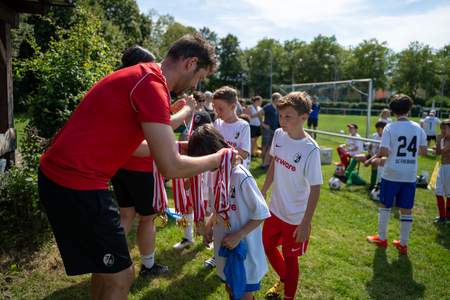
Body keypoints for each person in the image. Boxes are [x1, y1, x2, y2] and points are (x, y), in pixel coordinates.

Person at [37, 33, 239, 300]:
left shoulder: (143, 77)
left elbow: (139, 148)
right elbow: (171, 167)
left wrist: (183, 148)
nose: (195, 85)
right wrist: (219, 158)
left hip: (68, 178)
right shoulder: (152, 85)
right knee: (123, 277)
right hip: (75, 181)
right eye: (199, 77)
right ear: (191, 63)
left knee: (106, 267)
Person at [110, 45, 195, 277]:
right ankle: (148, 266)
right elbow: (161, 129)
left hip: (121, 163)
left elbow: (142, 120)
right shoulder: (145, 83)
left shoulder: (123, 86)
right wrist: (186, 110)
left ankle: (108, 259)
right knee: (148, 218)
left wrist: (168, 109)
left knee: (126, 214)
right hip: (141, 166)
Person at [191, 124, 270, 300]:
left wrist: (239, 235)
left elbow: (262, 212)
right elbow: (219, 207)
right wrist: (211, 224)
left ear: (214, 152)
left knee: (242, 291)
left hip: (244, 249)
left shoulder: (241, 176)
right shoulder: (216, 173)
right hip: (224, 245)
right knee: (230, 287)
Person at [260, 92, 322, 300]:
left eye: (288, 116)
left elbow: (315, 189)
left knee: (290, 258)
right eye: (280, 116)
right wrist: (264, 189)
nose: (282, 121)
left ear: (304, 117)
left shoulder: (310, 149)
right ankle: (284, 279)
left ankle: (288, 295)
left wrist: (306, 223)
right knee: (267, 247)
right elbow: (274, 163)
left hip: (296, 218)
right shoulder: (278, 134)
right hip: (275, 209)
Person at [366, 94, 427, 254]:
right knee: (406, 208)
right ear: (410, 109)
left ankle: (382, 237)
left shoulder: (389, 127)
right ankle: (403, 243)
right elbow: (424, 151)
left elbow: (384, 152)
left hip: (392, 173)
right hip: (409, 174)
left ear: (393, 111)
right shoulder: (417, 127)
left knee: (384, 205)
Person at [202, 86, 250, 269]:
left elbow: (244, 153)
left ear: (233, 106)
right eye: (215, 108)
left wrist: (224, 153)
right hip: (217, 180)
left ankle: (235, 249)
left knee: (233, 216)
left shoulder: (243, 126)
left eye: (220, 108)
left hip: (235, 182)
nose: (217, 112)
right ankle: (217, 254)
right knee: (217, 215)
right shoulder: (216, 124)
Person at [336, 121, 386, 189]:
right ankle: (346, 176)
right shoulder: (374, 135)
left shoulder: (386, 137)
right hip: (372, 155)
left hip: (380, 157)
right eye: (376, 129)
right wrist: (371, 156)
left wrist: (369, 161)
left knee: (374, 162)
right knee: (356, 157)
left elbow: (379, 153)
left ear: (384, 129)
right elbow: (369, 148)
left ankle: (373, 185)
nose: (377, 131)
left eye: (379, 129)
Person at [253, 93, 281, 169]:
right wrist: (262, 124)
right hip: (267, 129)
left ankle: (266, 163)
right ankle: (264, 164)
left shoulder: (276, 107)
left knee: (269, 147)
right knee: (265, 147)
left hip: (273, 129)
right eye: (280, 98)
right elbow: (259, 113)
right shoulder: (269, 106)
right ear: (275, 99)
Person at [433, 119, 450, 223]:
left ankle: (446, 216)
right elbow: (435, 148)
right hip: (443, 168)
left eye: (445, 128)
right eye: (441, 128)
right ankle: (442, 215)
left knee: (449, 194)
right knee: (438, 191)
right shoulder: (443, 140)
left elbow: (438, 152)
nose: (442, 130)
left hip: (449, 168)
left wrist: (438, 141)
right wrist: (439, 143)